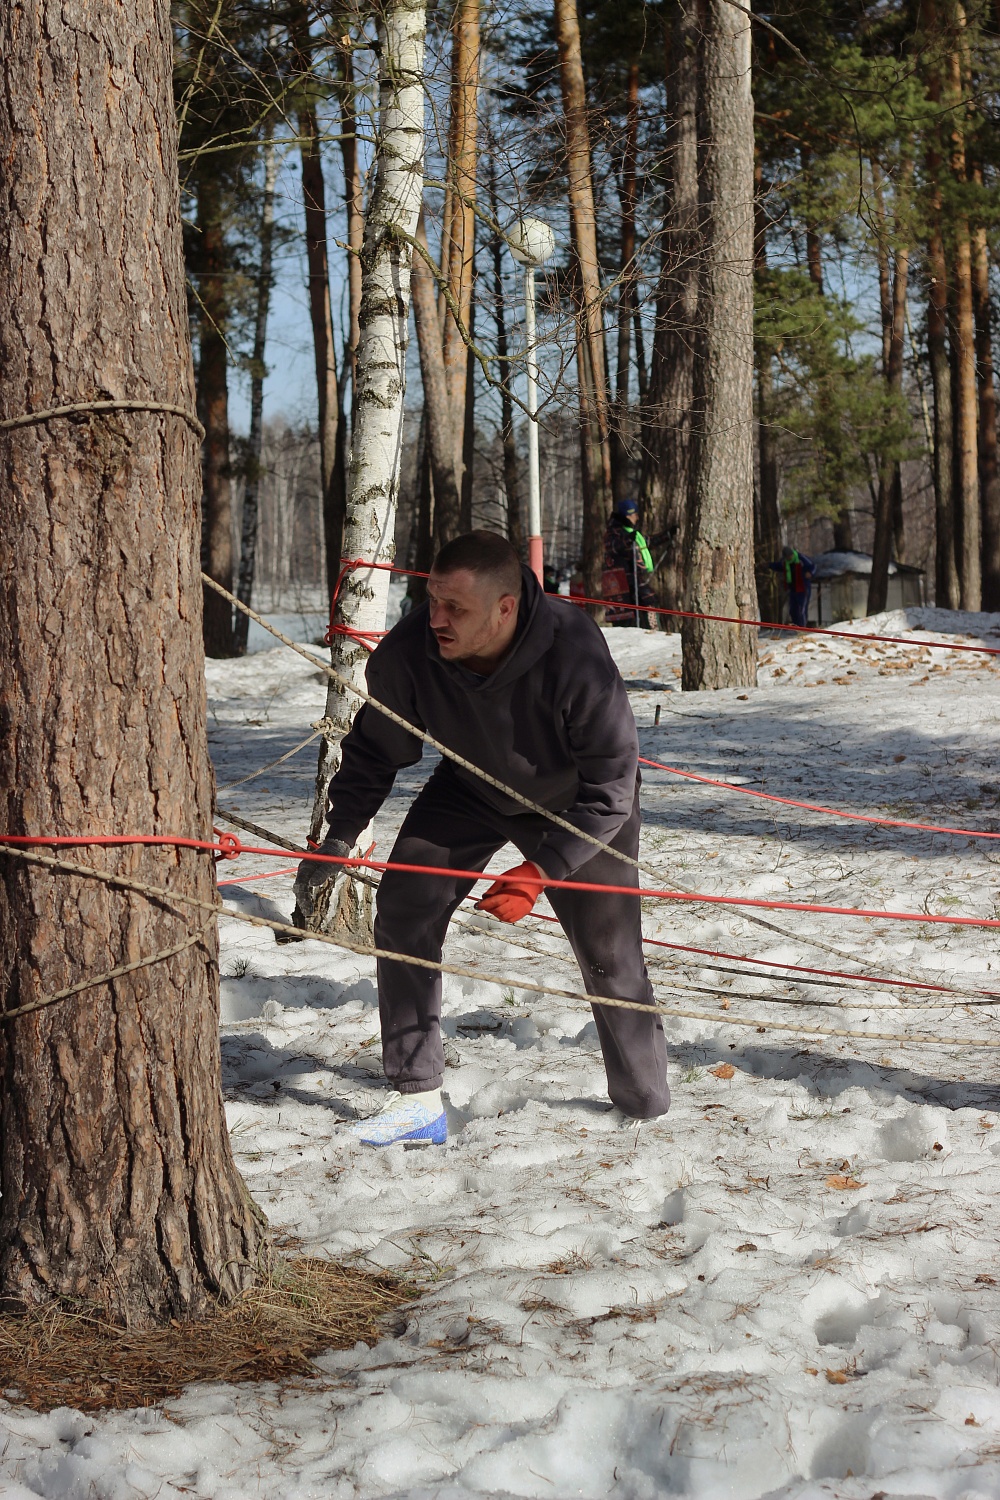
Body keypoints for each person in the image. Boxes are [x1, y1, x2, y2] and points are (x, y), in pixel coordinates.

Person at [294, 530, 670, 1147]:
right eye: (432, 600)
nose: (436, 619)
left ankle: (644, 1103)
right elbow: (376, 749)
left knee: (610, 956)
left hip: (576, 807)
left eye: (455, 608)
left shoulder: (573, 651)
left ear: (505, 607)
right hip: (470, 788)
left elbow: (611, 789)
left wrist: (541, 870)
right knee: (405, 908)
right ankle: (417, 1098)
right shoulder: (412, 651)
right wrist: (340, 835)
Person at [603, 499, 657, 627]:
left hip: (634, 578)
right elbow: (613, 546)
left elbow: (645, 542)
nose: (637, 518)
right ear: (628, 515)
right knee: (626, 616)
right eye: (635, 515)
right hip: (621, 582)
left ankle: (651, 628)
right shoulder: (614, 531)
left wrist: (667, 535)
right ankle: (641, 628)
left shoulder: (630, 532)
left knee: (648, 600)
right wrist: (627, 540)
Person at [770, 544, 816, 627]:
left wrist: (810, 573)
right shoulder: (785, 562)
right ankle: (796, 626)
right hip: (793, 588)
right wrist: (769, 565)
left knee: (801, 609)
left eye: (789, 556)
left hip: (803, 587)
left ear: (792, 554)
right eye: (787, 557)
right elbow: (778, 566)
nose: (789, 558)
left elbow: (813, 566)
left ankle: (802, 627)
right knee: (793, 610)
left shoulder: (801, 558)